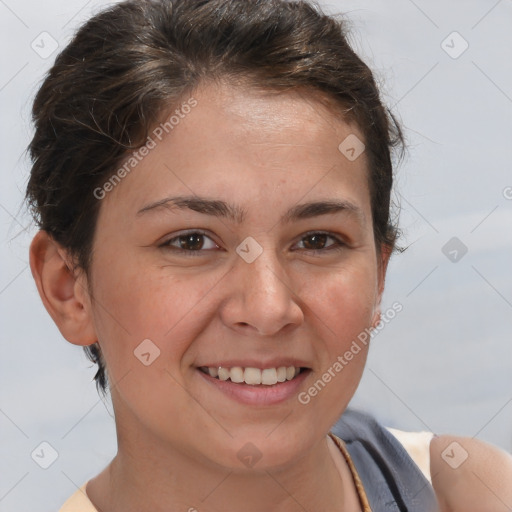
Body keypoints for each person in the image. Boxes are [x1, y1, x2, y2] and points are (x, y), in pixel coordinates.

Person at [25, 0, 512, 510]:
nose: (268, 308)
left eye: (318, 240)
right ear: (68, 288)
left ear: (379, 274)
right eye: (192, 241)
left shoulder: (467, 491)